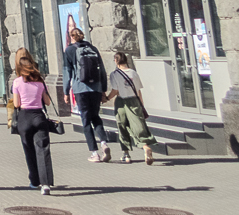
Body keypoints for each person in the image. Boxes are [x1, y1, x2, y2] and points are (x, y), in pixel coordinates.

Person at [62, 27, 111, 162]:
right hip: (96, 88)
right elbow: (102, 70)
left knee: (86, 120)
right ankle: (104, 143)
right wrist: (103, 89)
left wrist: (65, 91)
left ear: (71, 37)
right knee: (96, 117)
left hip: (80, 89)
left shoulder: (70, 50)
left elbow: (67, 72)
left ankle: (94, 153)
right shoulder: (93, 48)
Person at [12, 47, 55, 195]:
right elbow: (47, 102)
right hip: (39, 116)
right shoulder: (40, 82)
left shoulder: (17, 82)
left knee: (29, 151)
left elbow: (16, 104)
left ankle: (34, 181)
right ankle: (46, 184)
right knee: (43, 150)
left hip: (24, 118)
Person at [103, 51, 156, 165]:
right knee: (138, 124)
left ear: (116, 61)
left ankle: (126, 154)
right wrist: (141, 104)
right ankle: (145, 147)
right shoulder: (133, 73)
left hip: (121, 101)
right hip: (134, 100)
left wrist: (107, 98)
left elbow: (115, 90)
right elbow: (138, 91)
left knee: (122, 125)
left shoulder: (114, 74)